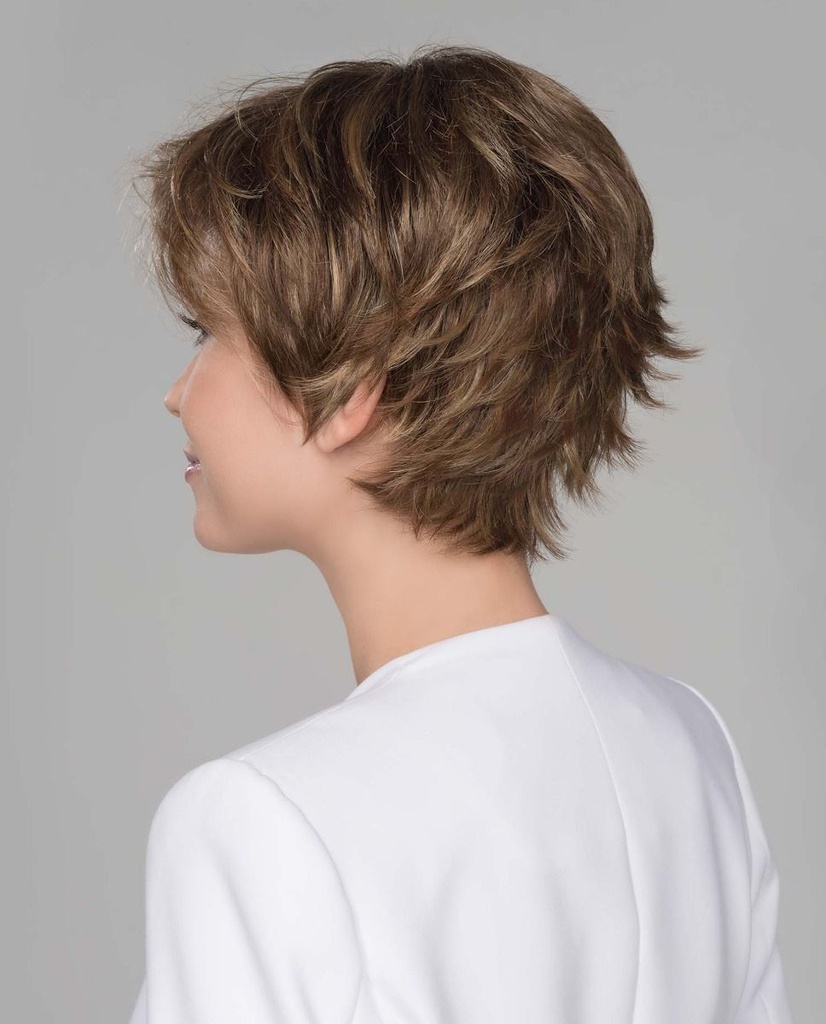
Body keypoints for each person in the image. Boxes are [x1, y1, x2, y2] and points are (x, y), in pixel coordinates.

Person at [124, 43, 794, 1023]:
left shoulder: (259, 817)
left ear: (350, 386)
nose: (177, 392)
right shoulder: (691, 748)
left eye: (206, 332)